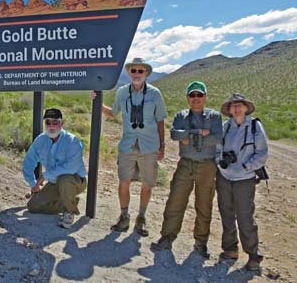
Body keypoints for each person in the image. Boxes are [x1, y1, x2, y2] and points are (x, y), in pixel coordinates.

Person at [92, 57, 167, 236]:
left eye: (141, 71)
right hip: (127, 145)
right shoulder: (122, 92)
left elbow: (160, 120)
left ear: (146, 73)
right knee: (124, 182)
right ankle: (124, 216)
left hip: (149, 146)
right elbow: (113, 113)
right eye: (134, 71)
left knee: (147, 184)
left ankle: (141, 218)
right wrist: (98, 101)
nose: (137, 74)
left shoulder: (155, 94)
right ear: (129, 72)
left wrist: (162, 146)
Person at [151, 81, 222, 258]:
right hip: (185, 163)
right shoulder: (181, 115)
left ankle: (201, 243)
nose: (196, 98)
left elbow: (217, 137)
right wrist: (201, 133)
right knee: (175, 201)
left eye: (199, 95)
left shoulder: (214, 116)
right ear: (187, 98)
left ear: (205, 97)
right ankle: (167, 237)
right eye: (192, 95)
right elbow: (175, 134)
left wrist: (189, 135)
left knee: (204, 205)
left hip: (207, 165)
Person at [217, 93, 268, 271]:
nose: (237, 108)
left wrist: (246, 166)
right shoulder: (225, 127)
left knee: (245, 217)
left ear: (246, 108)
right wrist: (220, 162)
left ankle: (254, 255)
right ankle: (230, 250)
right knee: (226, 214)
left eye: (240, 105)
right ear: (229, 110)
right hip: (224, 177)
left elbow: (262, 153)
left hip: (244, 179)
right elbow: (217, 148)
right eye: (233, 106)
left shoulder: (255, 126)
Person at [22, 108, 87, 229]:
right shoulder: (40, 140)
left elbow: (72, 167)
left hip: (75, 181)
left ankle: (69, 212)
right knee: (33, 206)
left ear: (61, 124)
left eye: (55, 122)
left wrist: (44, 176)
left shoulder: (72, 141)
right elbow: (28, 163)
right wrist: (33, 184)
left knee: (64, 180)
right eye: (48, 122)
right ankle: (68, 201)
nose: (51, 126)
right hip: (54, 182)